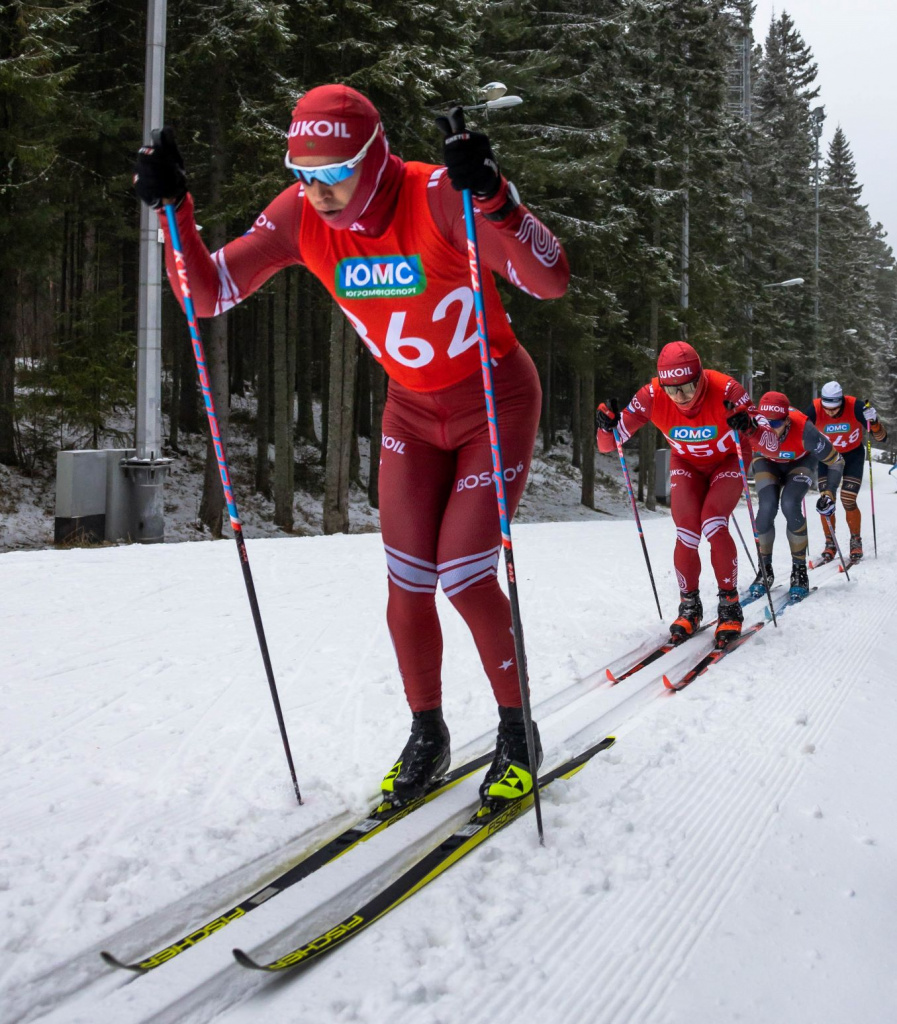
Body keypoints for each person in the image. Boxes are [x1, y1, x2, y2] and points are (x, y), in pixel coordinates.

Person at [134, 86, 570, 816]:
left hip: (491, 400)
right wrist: (171, 208)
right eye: (303, 171)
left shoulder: (434, 196)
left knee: (463, 575)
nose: (317, 188)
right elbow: (204, 294)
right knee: (406, 582)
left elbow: (549, 279)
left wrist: (494, 198)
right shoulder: (298, 215)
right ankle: (426, 733)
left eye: (333, 171)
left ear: (374, 158)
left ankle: (516, 733)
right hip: (409, 411)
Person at [596, 342, 779, 648]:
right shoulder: (652, 396)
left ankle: (729, 604)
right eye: (672, 390)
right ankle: (690, 606)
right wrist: (606, 425)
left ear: (701, 378)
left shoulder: (727, 390)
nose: (681, 397)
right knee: (686, 531)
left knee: (713, 522)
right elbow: (607, 444)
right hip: (687, 464)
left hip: (728, 459)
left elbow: (772, 445)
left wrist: (750, 428)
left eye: (689, 387)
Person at [749, 391, 844, 601]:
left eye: (775, 425)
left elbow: (836, 461)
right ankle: (764, 569)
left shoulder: (805, 430)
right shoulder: (752, 426)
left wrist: (829, 492)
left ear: (787, 421)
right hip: (767, 462)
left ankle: (799, 572)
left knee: (790, 504)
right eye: (764, 424)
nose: (769, 430)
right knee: (766, 507)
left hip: (800, 463)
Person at [804, 381, 887, 563]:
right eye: (827, 408)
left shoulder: (855, 406)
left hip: (852, 456)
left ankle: (855, 540)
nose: (830, 412)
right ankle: (830, 543)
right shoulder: (815, 409)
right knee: (826, 501)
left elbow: (882, 437)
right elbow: (799, 431)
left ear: (841, 401)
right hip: (828, 457)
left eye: (835, 408)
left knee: (848, 499)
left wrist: (874, 422)